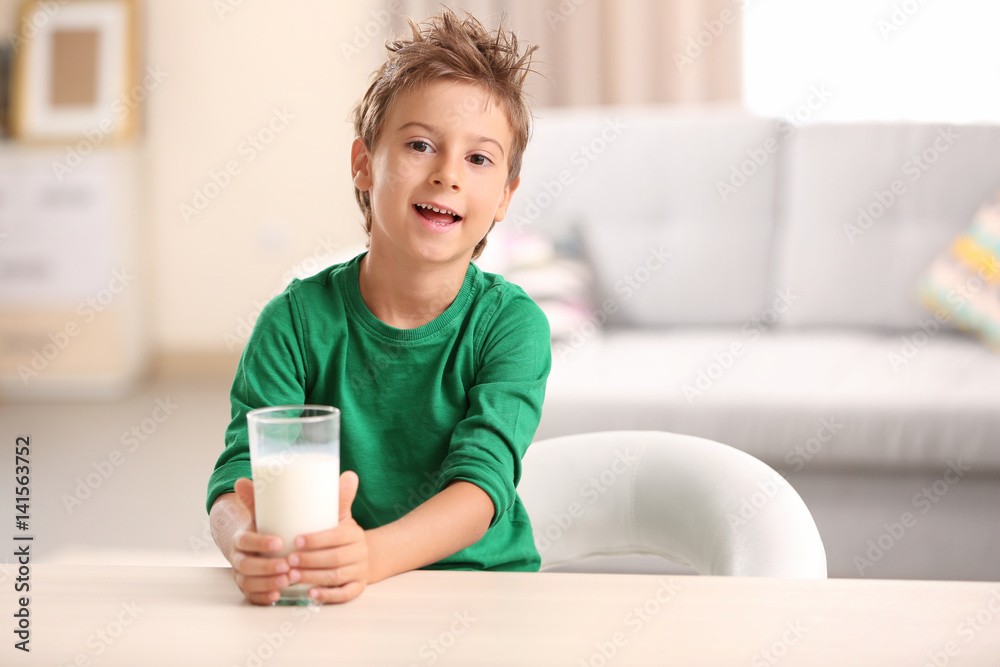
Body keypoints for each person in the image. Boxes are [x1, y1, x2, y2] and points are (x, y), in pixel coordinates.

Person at [206, 9, 549, 605]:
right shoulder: (294, 324)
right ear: (364, 164)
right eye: (420, 145)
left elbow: (481, 487)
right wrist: (245, 547)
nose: (447, 175)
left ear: (504, 197)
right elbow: (239, 478)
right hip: (337, 595)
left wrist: (369, 556)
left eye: (478, 158)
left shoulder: (511, 326)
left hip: (483, 596)